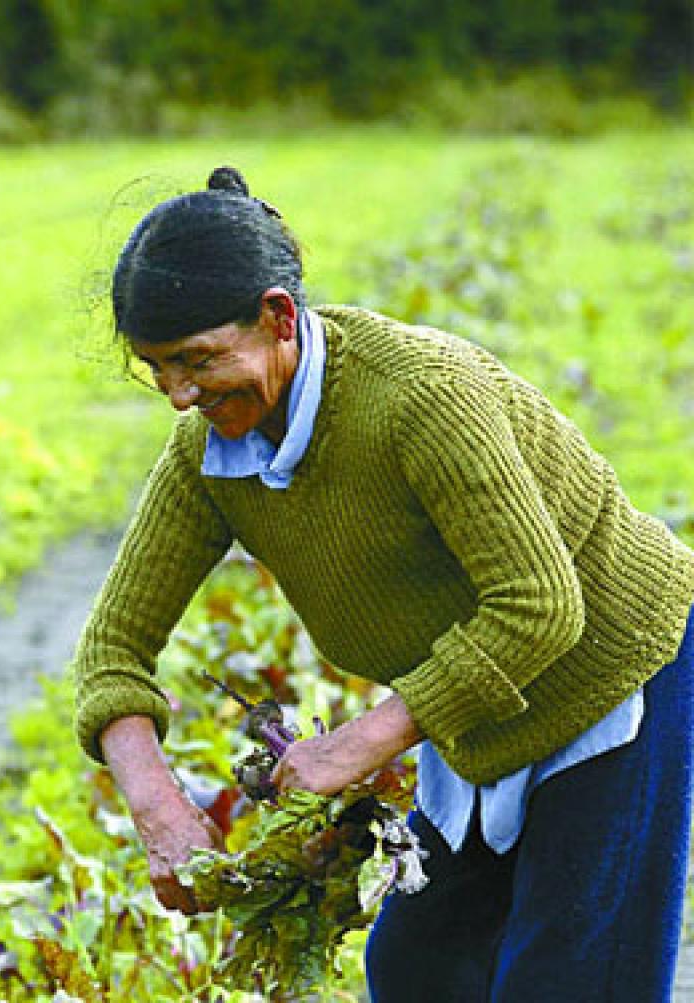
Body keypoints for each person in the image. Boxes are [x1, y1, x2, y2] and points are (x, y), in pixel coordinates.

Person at [74, 165, 694, 1002]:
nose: (181, 396)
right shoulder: (211, 453)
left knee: (568, 977)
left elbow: (539, 606)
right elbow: (114, 646)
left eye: (197, 361)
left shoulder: (419, 398)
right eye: (157, 371)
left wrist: (359, 741)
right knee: (416, 969)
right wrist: (160, 809)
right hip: (477, 708)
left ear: (278, 318)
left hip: (612, 673)